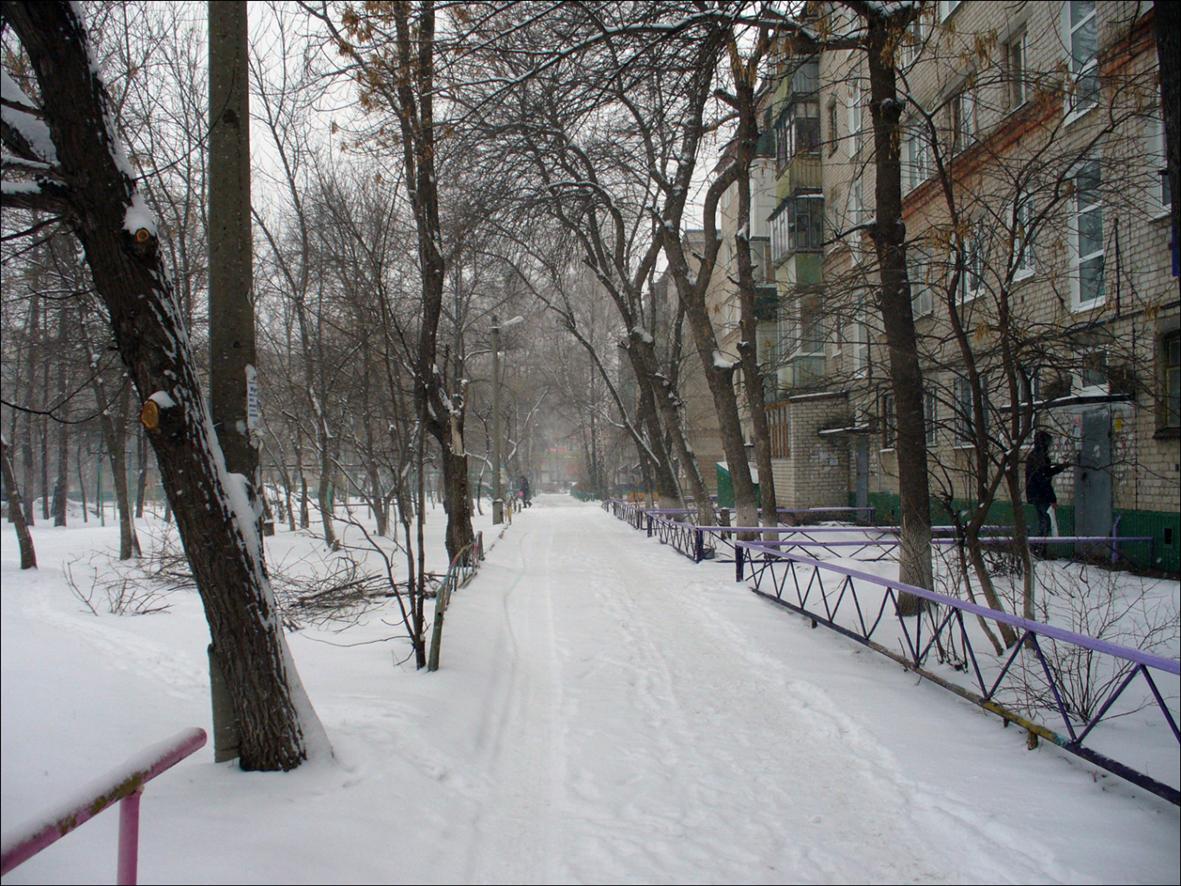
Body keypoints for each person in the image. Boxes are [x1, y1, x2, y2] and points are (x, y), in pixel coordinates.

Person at [1025, 430, 1069, 546]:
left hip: (1035, 494)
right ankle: (1038, 548)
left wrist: (1060, 467)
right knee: (1045, 522)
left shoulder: (1034, 456)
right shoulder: (1040, 457)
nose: (1050, 445)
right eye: (1048, 442)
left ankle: (1037, 547)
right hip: (1041, 495)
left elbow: (1045, 473)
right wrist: (1052, 499)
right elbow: (1044, 479)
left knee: (1043, 521)